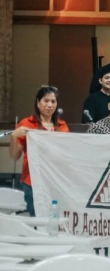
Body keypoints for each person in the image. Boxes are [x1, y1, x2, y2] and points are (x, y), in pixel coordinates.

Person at [9, 86, 69, 216]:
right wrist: (14, 136)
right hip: (32, 180)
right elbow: (14, 156)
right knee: (37, 219)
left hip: (55, 180)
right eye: (46, 101)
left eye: (53, 101)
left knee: (54, 219)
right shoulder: (27, 123)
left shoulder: (62, 126)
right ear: (38, 102)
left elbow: (67, 154)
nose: (49, 105)